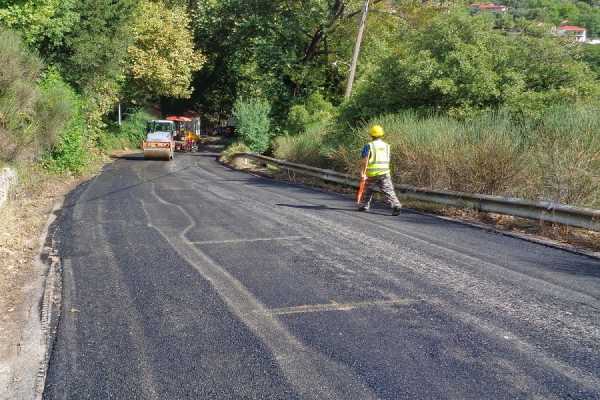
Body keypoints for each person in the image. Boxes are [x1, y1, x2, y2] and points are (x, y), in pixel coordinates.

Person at [358, 125, 402, 216]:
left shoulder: (369, 146)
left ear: (371, 135)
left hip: (372, 173)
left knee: (367, 190)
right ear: (382, 135)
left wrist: (363, 172)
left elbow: (365, 160)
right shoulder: (387, 146)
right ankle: (396, 205)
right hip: (385, 172)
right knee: (388, 190)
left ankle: (364, 205)